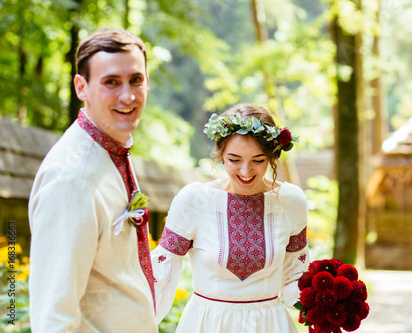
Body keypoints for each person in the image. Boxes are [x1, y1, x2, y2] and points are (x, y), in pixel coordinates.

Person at [28, 27, 157, 332]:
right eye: (111, 82)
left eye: (136, 80)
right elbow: (53, 317)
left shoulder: (111, 149)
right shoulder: (71, 179)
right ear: (81, 87)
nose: (128, 95)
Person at [151, 103, 309, 332]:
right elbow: (162, 276)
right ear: (220, 155)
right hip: (208, 324)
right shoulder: (194, 200)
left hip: (270, 325)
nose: (246, 171)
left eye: (258, 160)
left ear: (272, 157)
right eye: (235, 160)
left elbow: (295, 274)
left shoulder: (291, 201)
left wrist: (322, 305)